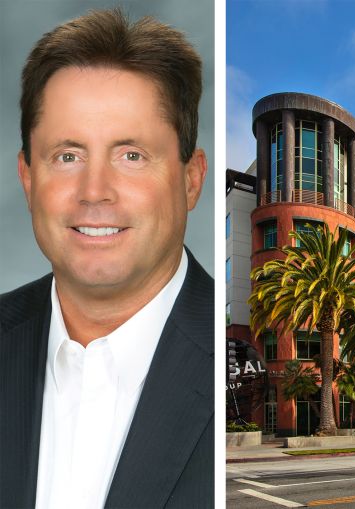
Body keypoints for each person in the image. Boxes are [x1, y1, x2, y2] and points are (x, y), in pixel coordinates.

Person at [0, 8, 214, 508]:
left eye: (131, 155)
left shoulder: (220, 355)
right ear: (29, 179)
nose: (95, 191)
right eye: (67, 156)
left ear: (190, 179)